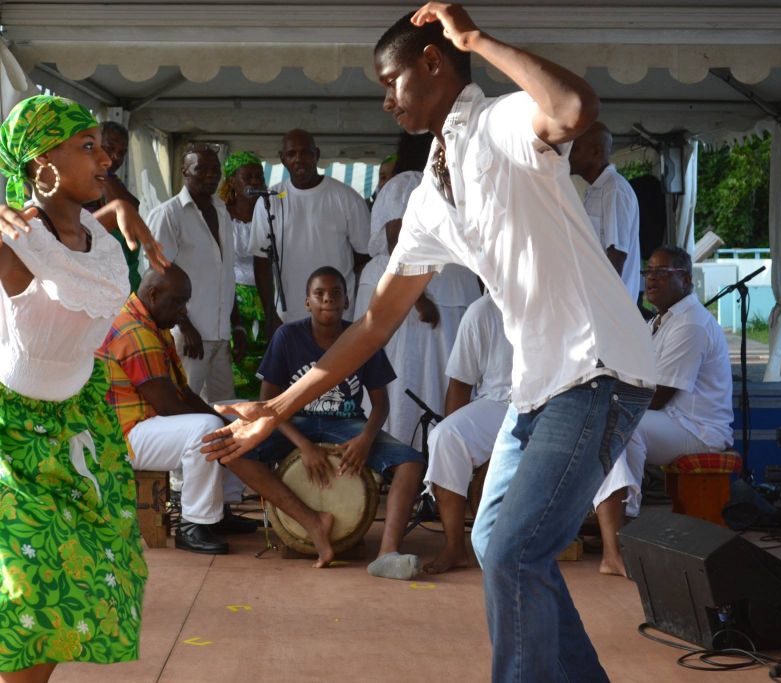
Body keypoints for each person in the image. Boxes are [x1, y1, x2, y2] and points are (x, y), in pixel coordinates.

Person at [202, 6, 655, 681]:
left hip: (598, 367)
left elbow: (574, 106)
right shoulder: (430, 194)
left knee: (511, 552)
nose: (385, 100)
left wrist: (478, 40)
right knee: (495, 540)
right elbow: (374, 323)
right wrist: (279, 407)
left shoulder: (503, 122)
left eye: (392, 81)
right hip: (539, 385)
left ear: (435, 63)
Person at [0, 95, 169, 683]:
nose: (104, 157)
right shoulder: (13, 238)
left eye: (101, 147)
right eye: (87, 148)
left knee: (79, 573)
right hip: (7, 432)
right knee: (23, 589)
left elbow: (72, 255)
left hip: (77, 422)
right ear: (39, 164)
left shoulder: (95, 240)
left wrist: (119, 214)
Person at [226, 267, 426, 578]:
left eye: (336, 294)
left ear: (347, 302)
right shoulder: (287, 337)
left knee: (411, 464)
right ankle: (311, 521)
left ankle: (387, 553)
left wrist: (365, 440)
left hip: (347, 424)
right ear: (307, 302)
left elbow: (381, 404)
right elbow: (268, 405)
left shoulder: (362, 337)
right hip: (295, 424)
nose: (328, 299)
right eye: (319, 294)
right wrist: (304, 445)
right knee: (233, 451)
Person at [593, 247, 733, 576]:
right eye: (648, 272)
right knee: (608, 422)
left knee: (622, 426)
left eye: (661, 272)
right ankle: (614, 537)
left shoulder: (691, 324)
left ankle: (621, 536)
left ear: (685, 278)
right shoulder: (661, 320)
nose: (651, 279)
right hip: (673, 422)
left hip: (698, 431)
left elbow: (656, 398)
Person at [99, 264, 255, 555]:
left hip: (147, 424)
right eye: (179, 302)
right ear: (153, 294)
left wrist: (231, 423)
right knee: (207, 429)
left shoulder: (152, 322)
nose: (184, 311)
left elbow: (184, 393)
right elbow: (170, 406)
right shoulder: (133, 331)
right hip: (123, 437)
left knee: (238, 413)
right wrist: (222, 426)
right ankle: (193, 525)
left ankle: (218, 511)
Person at [356, 132, 480, 449]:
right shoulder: (405, 182)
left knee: (444, 371)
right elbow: (398, 240)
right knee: (407, 372)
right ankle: (401, 450)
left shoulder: (454, 182)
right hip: (415, 288)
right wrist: (418, 298)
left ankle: (440, 452)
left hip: (450, 286)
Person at [147, 143, 247, 402]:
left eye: (215, 170)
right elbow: (157, 278)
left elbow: (225, 275)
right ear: (184, 171)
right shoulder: (168, 215)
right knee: (183, 407)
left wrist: (236, 325)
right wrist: (185, 324)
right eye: (201, 169)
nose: (210, 175)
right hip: (188, 338)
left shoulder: (223, 211)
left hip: (220, 335)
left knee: (225, 412)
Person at [422, 292, 513, 574]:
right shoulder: (481, 311)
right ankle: (454, 547)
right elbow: (460, 383)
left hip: (549, 403)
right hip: (498, 403)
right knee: (445, 437)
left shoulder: (551, 300)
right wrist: (465, 460)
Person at [250, 129, 371, 329]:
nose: (298, 159)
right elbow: (261, 262)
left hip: (338, 314)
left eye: (305, 152)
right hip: (288, 317)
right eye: (291, 154)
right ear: (282, 159)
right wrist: (270, 314)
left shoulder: (347, 197)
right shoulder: (269, 200)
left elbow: (364, 256)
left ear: (317, 154)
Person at [569, 121, 642, 302]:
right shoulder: (596, 189)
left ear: (596, 152)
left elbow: (616, 255)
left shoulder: (614, 189)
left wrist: (604, 304)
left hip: (610, 306)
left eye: (575, 148)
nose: (568, 155)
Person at [83, 120, 142, 292]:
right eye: (109, 148)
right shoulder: (79, 181)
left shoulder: (111, 180)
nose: (115, 157)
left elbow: (132, 210)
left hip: (119, 282)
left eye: (121, 152)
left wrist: (104, 173)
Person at [219, 151, 267, 331]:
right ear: (232, 181)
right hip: (233, 297)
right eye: (247, 177)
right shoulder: (221, 214)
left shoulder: (271, 212)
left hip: (269, 294)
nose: (255, 181)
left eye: (258, 177)